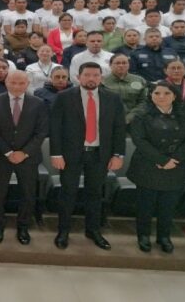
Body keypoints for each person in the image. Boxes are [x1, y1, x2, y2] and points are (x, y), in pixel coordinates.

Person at [50, 62, 126, 251]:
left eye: (95, 75)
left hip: (99, 154)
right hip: (71, 154)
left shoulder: (113, 98)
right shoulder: (64, 97)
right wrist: (56, 153)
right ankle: (63, 231)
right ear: (78, 77)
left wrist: (118, 154)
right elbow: (55, 127)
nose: (91, 78)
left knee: (95, 194)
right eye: (87, 75)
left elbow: (119, 128)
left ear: (101, 77)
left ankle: (93, 230)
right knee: (68, 193)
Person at [128, 82, 185, 253]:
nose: (161, 96)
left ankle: (164, 237)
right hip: (148, 165)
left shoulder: (184, 115)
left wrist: (175, 159)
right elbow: (139, 140)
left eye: (166, 93)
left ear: (174, 96)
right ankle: (143, 236)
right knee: (145, 205)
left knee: (168, 206)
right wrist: (161, 160)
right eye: (156, 93)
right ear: (151, 96)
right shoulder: (141, 115)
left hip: (174, 166)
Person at [0, 71, 49, 245]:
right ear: (6, 82)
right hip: (0, 156)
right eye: (13, 82)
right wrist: (8, 152)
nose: (17, 86)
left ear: (27, 84)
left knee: (28, 194)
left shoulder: (38, 103)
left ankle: (23, 227)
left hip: (28, 157)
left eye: (21, 83)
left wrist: (24, 152)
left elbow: (41, 132)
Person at [101, 53, 148, 125]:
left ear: (129, 65)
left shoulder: (139, 80)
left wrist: (130, 117)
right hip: (109, 121)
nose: (121, 65)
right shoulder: (102, 81)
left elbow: (144, 101)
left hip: (135, 120)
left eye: (124, 63)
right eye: (117, 63)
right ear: (110, 65)